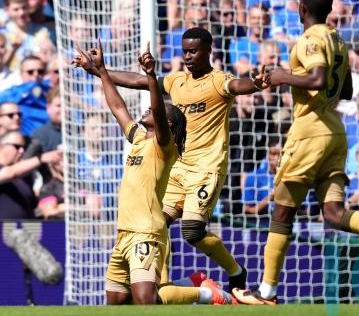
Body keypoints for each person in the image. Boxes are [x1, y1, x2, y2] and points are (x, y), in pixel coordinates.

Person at [231, 0, 359, 305]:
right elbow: (345, 90)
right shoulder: (338, 40)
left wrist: (283, 76)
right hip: (335, 132)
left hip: (310, 133)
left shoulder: (311, 39)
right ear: (329, 10)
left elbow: (316, 79)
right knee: (333, 212)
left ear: (302, 9)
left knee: (282, 212)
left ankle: (267, 291)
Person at [73, 27, 268, 292]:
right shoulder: (177, 82)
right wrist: (99, 71)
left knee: (192, 231)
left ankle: (236, 271)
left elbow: (237, 86)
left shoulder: (219, 81)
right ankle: (160, 283)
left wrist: (255, 84)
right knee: (157, 224)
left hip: (205, 169)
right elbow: (138, 81)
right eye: (185, 51)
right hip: (176, 168)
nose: (187, 56)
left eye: (193, 51)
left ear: (208, 50)